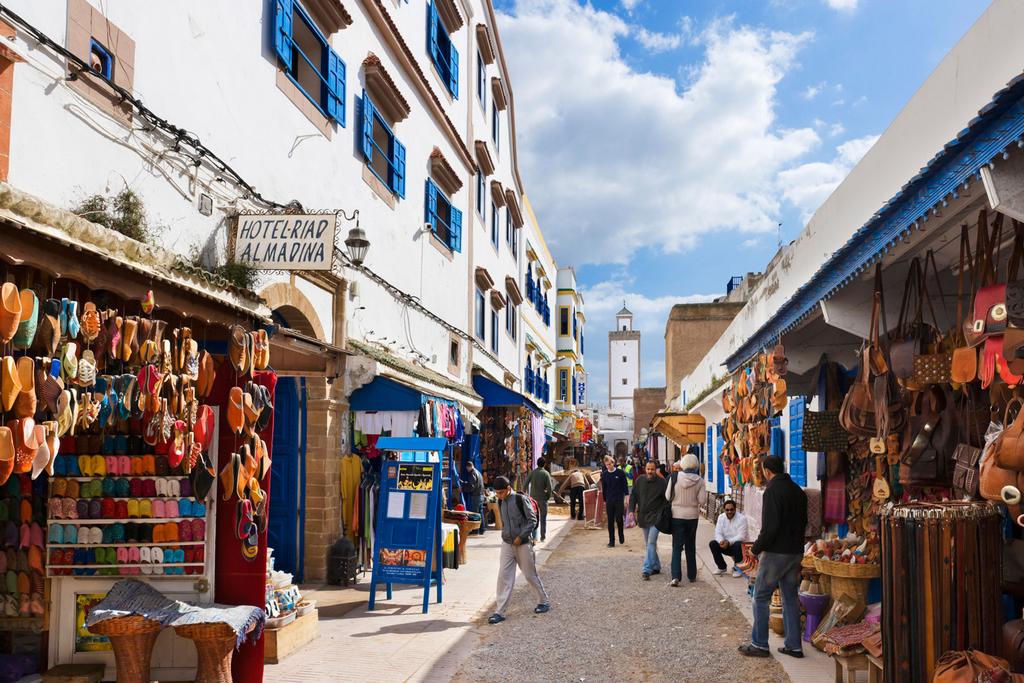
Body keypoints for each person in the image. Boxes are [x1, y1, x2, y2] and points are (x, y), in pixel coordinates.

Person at [739, 456, 808, 659]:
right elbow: (803, 523)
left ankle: (759, 644)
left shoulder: (772, 491)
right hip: (795, 552)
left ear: (767, 471)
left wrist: (756, 548)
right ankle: (794, 646)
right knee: (790, 598)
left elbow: (770, 528)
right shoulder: (798, 491)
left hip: (777, 553)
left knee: (760, 597)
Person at [487, 476, 550, 625]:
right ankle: (500, 611)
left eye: (501, 492)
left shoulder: (521, 499)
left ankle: (543, 601)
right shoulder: (500, 500)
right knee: (503, 576)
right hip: (507, 543)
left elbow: (532, 520)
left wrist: (521, 536)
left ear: (509, 488)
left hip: (522, 544)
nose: (499, 495)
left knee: (529, 574)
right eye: (497, 493)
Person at [664, 453, 707, 586]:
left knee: (677, 546)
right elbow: (702, 501)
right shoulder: (700, 481)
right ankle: (692, 575)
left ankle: (676, 576)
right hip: (692, 516)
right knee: (690, 545)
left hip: (676, 515)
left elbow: (667, 496)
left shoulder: (674, 477)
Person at [628, 460, 667, 580]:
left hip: (656, 517)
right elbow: (633, 495)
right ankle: (656, 566)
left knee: (651, 542)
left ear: (656, 469)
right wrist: (630, 510)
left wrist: (663, 514)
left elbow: (667, 500)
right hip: (643, 516)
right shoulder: (639, 480)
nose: (650, 471)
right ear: (645, 469)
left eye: (652, 469)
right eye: (648, 469)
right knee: (648, 544)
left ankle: (646, 569)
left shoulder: (662, 482)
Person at [709, 499, 748, 577]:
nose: (729, 512)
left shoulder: (742, 518)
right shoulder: (721, 517)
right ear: (724, 510)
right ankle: (722, 567)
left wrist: (729, 542)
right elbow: (718, 532)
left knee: (738, 544)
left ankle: (737, 568)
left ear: (735, 509)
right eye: (727, 510)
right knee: (713, 543)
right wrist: (721, 541)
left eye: (731, 509)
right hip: (724, 545)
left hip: (736, 547)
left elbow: (742, 536)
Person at [599, 455, 628, 547]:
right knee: (610, 521)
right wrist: (604, 500)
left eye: (610, 464)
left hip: (619, 499)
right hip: (609, 500)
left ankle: (621, 534)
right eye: (607, 465)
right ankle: (611, 541)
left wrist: (627, 496)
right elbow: (604, 488)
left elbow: (625, 485)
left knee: (619, 518)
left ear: (613, 463)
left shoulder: (620, 473)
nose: (609, 466)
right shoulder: (605, 474)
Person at [527, 457, 555, 541]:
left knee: (533, 518)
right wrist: (547, 496)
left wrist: (526, 496)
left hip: (532, 499)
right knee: (543, 518)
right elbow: (550, 488)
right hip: (543, 499)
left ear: (537, 464)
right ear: (544, 464)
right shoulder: (546, 474)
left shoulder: (532, 473)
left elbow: (525, 484)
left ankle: (533, 537)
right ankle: (542, 536)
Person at [462, 461, 485, 535]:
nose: (467, 469)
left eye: (467, 468)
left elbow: (472, 486)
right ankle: (482, 529)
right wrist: (465, 483)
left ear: (469, 467)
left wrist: (463, 489)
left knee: (475, 513)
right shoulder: (478, 472)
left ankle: (475, 530)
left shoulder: (472, 474)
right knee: (480, 513)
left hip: (476, 496)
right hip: (481, 495)